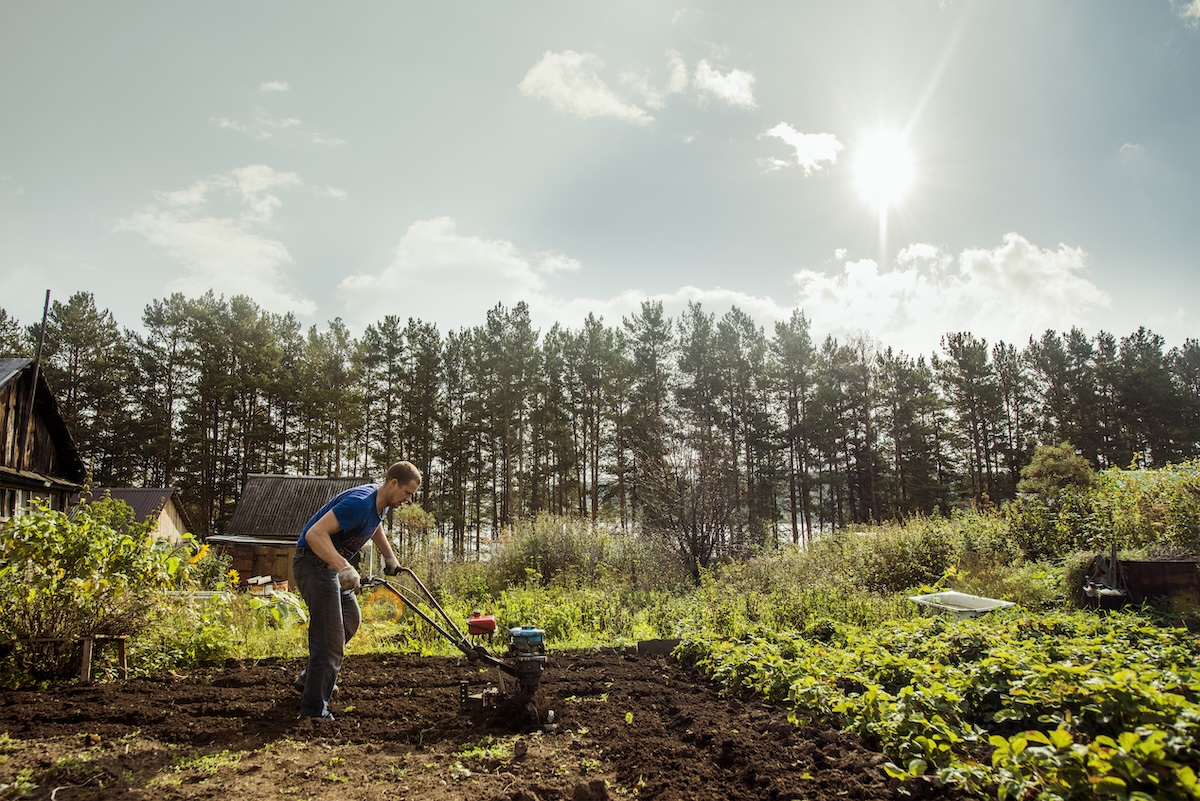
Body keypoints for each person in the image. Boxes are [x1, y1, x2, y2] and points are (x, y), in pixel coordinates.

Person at [292, 460, 422, 719]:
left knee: (350, 619)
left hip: (328, 568)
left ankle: (310, 680)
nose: (408, 499)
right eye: (407, 493)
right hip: (313, 564)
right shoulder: (360, 503)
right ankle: (313, 713)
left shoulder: (380, 504)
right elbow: (315, 534)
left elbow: (375, 526)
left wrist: (389, 557)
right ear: (393, 483)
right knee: (329, 640)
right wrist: (343, 566)